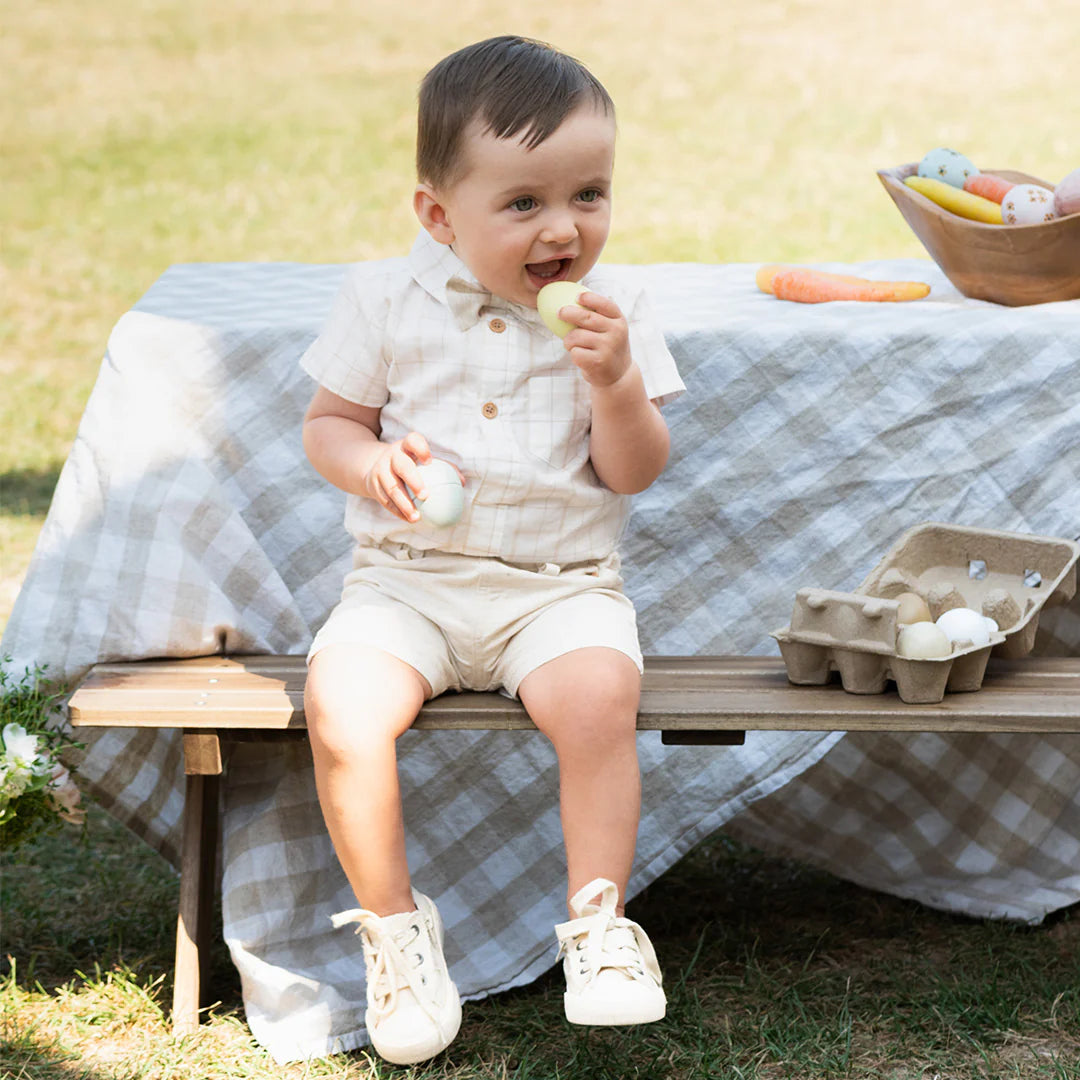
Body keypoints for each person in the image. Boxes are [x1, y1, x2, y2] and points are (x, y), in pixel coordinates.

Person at [299, 34, 685, 1066]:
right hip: (407, 582)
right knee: (341, 705)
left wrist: (617, 386)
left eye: (590, 194)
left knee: (599, 696)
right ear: (438, 214)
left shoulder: (620, 313)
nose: (565, 227)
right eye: (524, 204)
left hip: (558, 589)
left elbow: (633, 472)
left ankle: (599, 929)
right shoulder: (384, 300)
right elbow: (326, 426)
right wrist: (371, 464)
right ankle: (395, 935)